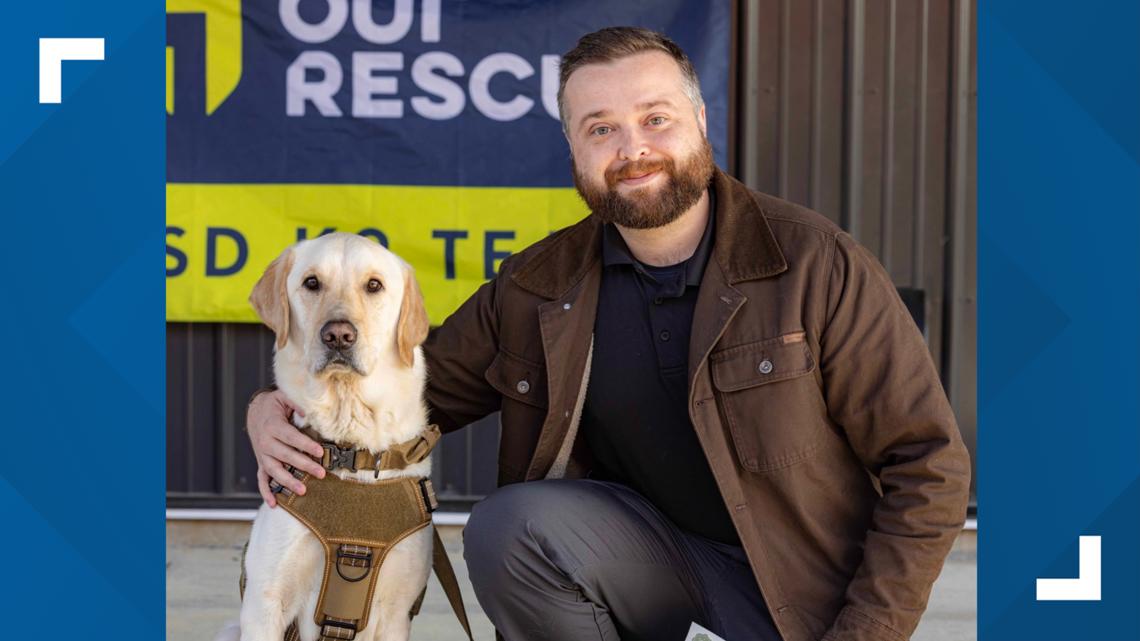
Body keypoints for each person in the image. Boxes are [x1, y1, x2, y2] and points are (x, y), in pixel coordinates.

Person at [246, 26, 971, 641]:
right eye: (601, 128)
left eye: (656, 118)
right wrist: (270, 411)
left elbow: (929, 465)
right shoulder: (539, 282)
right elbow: (405, 377)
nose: (633, 148)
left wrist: (866, 633)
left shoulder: (815, 262)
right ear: (572, 146)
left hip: (800, 591)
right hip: (646, 564)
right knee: (510, 527)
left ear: (700, 121)